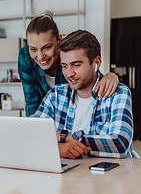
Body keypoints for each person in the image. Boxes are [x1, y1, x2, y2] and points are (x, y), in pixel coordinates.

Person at [33, 29, 134, 159]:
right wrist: (58, 149)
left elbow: (120, 144)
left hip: (109, 173)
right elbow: (32, 135)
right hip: (70, 173)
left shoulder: (117, 93)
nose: (69, 74)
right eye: (64, 66)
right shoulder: (55, 95)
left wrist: (65, 137)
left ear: (96, 63)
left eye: (76, 65)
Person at [18, 11, 119, 117]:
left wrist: (111, 76)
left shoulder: (68, 54)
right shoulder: (25, 57)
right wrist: (35, 124)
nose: (40, 56)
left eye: (47, 47)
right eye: (33, 49)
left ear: (59, 40)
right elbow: (31, 100)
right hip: (45, 116)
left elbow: (90, 77)